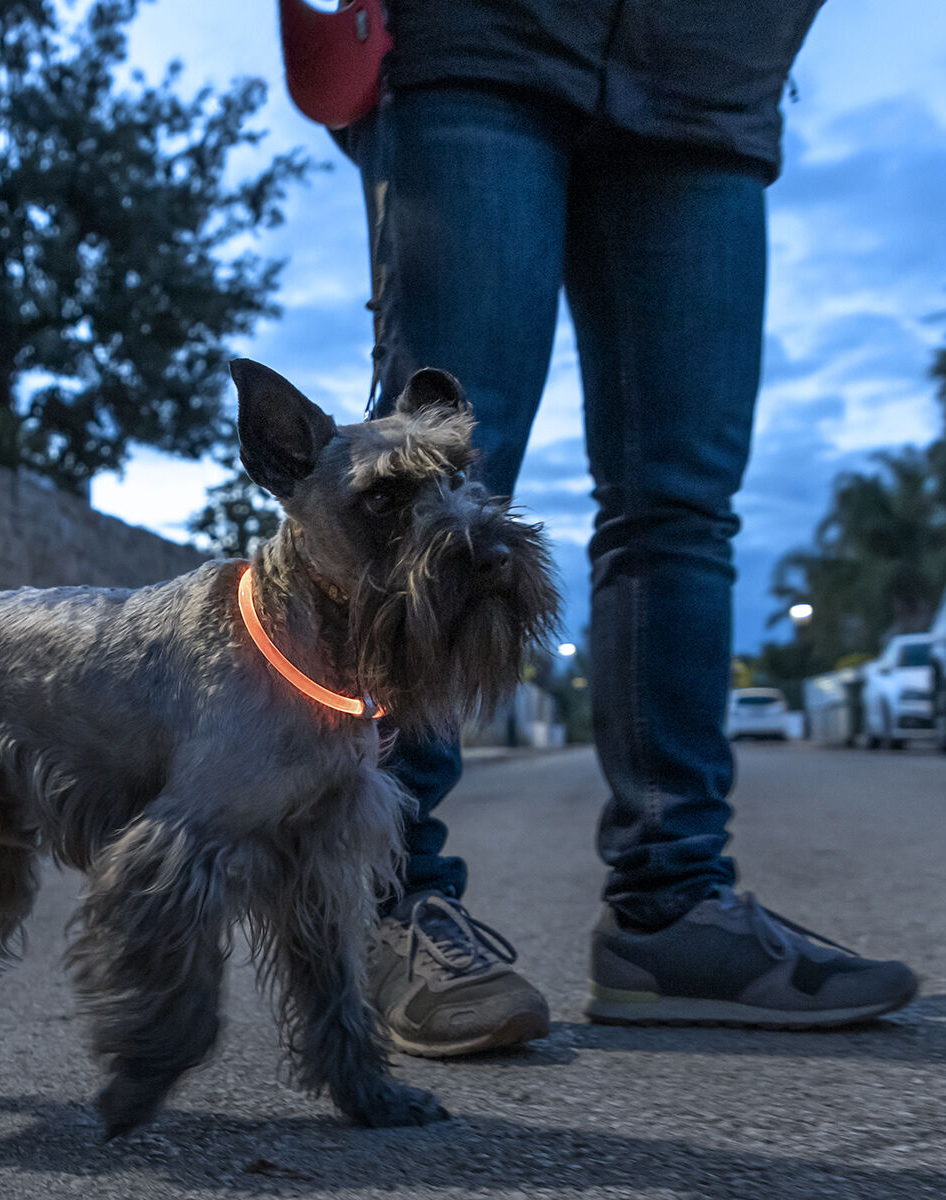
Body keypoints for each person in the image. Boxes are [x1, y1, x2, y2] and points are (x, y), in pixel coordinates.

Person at [322, 1, 919, 1055]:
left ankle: (672, 911)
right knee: (436, 467)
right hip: (484, 36)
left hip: (708, 70)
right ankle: (380, 894)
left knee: (682, 506)